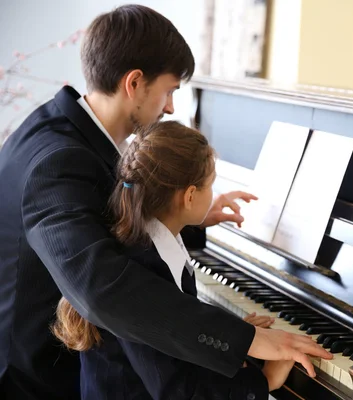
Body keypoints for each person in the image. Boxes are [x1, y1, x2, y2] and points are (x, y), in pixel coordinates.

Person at [0, 5, 331, 400]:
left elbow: (99, 229)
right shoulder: (60, 159)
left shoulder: (62, 125)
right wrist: (246, 340)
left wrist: (182, 217)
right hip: (33, 381)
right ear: (135, 83)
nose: (171, 107)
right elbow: (102, 288)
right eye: (170, 90)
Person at [52, 120, 293, 399]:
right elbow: (175, 388)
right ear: (190, 196)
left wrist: (231, 339)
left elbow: (175, 347)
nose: (214, 193)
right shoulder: (145, 269)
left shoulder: (144, 239)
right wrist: (263, 382)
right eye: (211, 184)